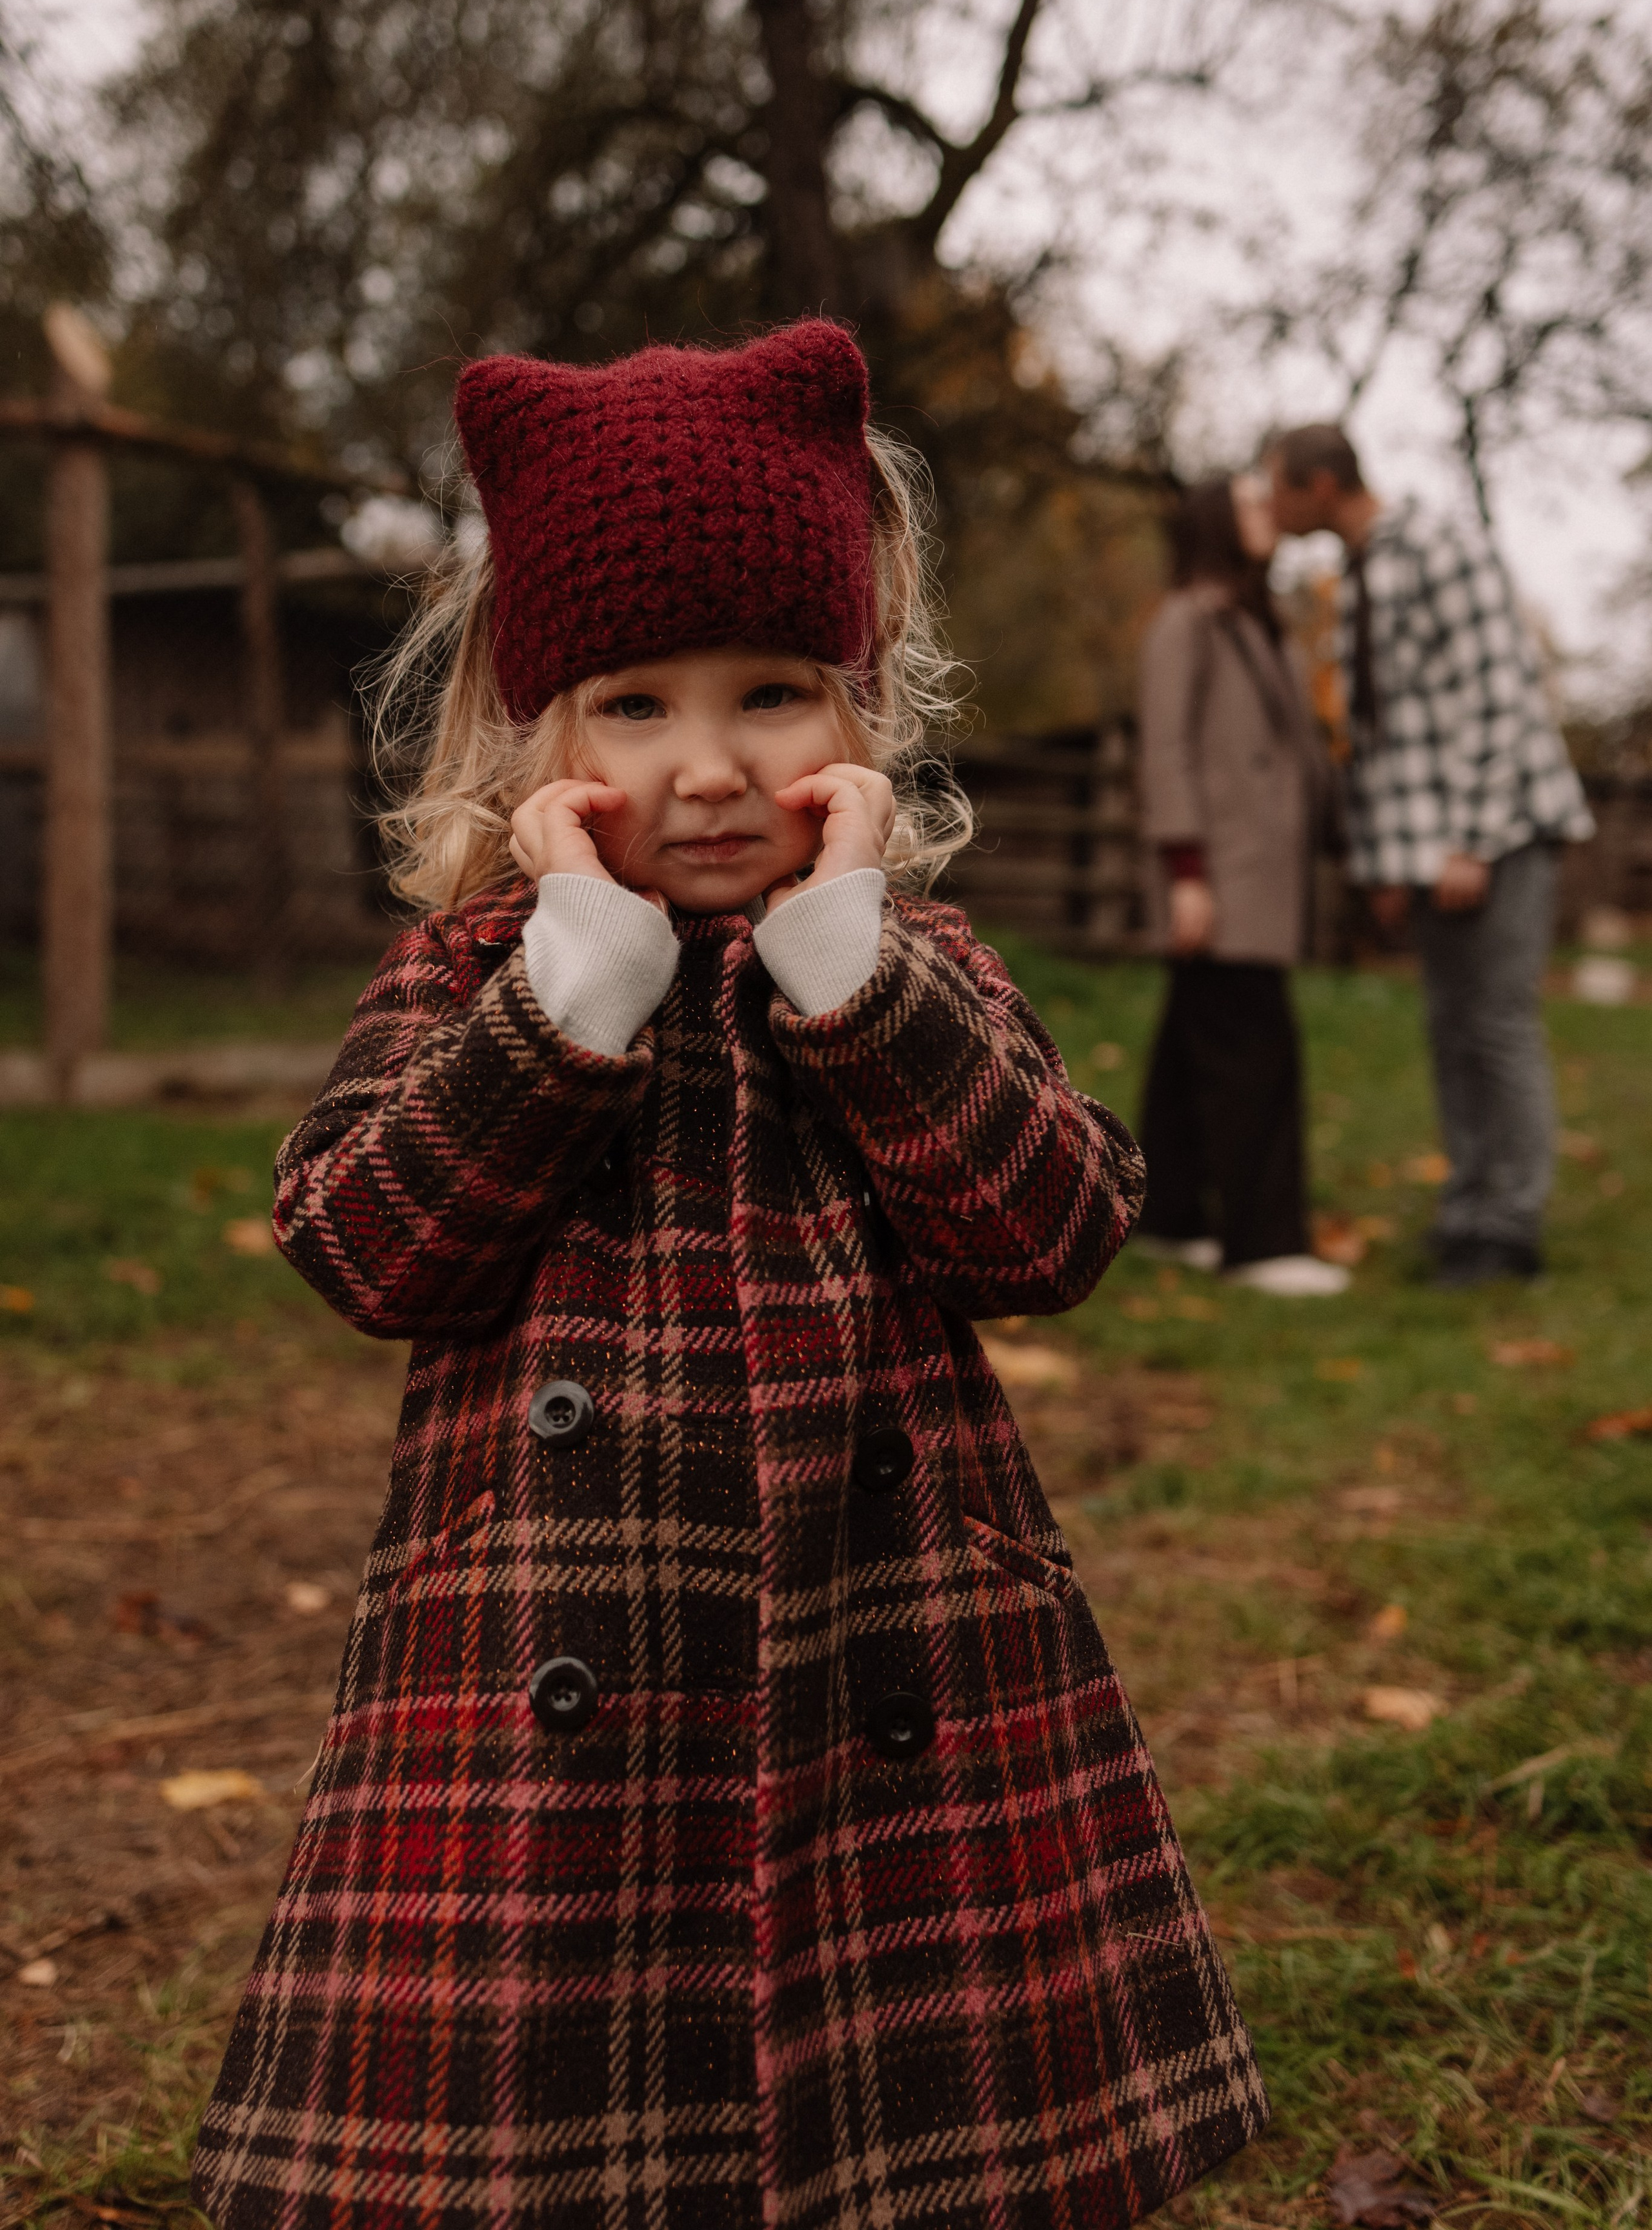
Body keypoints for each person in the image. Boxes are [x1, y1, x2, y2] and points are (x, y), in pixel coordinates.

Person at [190, 323, 1265, 2230]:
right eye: (631, 704)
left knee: (902, 2104)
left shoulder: (908, 965)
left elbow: (1057, 1226)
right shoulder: (468, 976)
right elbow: (360, 1241)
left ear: (858, 719)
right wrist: (561, 1004)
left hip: (894, 1646)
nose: (704, 765)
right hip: (541, 1684)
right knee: (569, 2115)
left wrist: (861, 987)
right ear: (539, 738)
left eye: (771, 692)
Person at [1265, 423, 1593, 1286]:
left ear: (1323, 484)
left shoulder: (1440, 545)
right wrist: (1385, 862)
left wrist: (1471, 840)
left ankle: (1510, 1227)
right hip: (1426, 854)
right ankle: (1469, 1211)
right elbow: (1382, 737)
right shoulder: (1362, 573)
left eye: (1282, 489)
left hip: (1498, 834)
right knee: (1453, 1031)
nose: (1273, 505)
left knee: (1497, 1025)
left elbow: (1499, 695)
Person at [1134, 475, 1348, 1297]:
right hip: (1219, 874)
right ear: (1216, 522)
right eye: (1253, 501)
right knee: (1256, 1049)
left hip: (1257, 871)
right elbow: (1167, 753)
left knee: (1196, 1039)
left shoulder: (1264, 625)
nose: (1270, 512)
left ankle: (1170, 1217)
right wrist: (1186, 874)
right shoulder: (1187, 620)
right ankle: (1264, 1244)